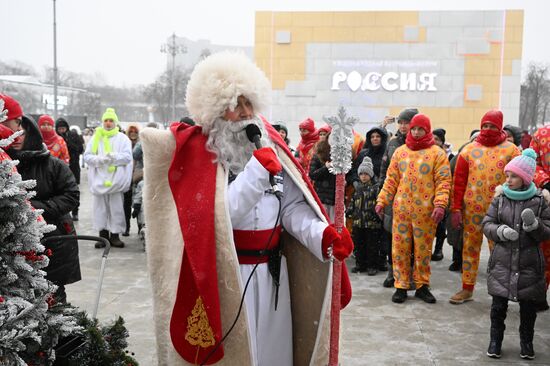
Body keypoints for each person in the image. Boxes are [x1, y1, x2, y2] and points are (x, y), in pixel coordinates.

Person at [140, 51, 353, 366]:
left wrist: (321, 235)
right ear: (214, 109)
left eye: (248, 103)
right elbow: (217, 221)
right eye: (233, 105)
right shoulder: (202, 155)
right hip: (227, 278)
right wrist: (256, 174)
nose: (243, 112)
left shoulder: (270, 147)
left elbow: (291, 207)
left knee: (273, 354)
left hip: (272, 277)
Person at [482, 148, 550, 360]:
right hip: (502, 262)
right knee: (498, 308)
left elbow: (547, 231)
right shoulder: (500, 199)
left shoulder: (539, 202)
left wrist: (534, 226)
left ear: (525, 178)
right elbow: (487, 224)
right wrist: (500, 231)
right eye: (507, 176)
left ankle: (526, 343)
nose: (508, 180)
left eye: (514, 176)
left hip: (528, 263)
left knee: (528, 309)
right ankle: (495, 342)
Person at [376, 114, 451, 304]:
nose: (416, 132)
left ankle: (421, 285)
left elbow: (443, 182)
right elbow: (391, 180)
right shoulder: (400, 152)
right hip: (401, 211)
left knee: (423, 250)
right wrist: (382, 200)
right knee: (399, 248)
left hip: (426, 213)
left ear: (427, 130)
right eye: (414, 129)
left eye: (420, 129)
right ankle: (400, 285)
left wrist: (440, 204)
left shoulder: (437, 154)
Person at [449, 110, 521, 304]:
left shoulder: (511, 150)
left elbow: (520, 179)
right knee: (469, 249)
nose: (488, 130)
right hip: (471, 209)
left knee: (499, 252)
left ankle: (500, 291)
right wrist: (456, 208)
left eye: (492, 126)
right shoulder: (469, 150)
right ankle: (467, 288)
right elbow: (459, 181)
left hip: (499, 211)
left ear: (499, 127)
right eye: (485, 126)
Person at [7, 114, 80, 303]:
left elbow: (71, 195)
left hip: (54, 240)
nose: (16, 138)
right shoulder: (5, 166)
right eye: (12, 133)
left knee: (52, 295)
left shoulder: (53, 165)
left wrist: (35, 209)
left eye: (21, 134)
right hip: (14, 245)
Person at [379, 108, 419, 288]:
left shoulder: (426, 145)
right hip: (393, 198)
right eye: (401, 122)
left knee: (413, 240)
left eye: (407, 122)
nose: (403, 126)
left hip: (417, 200)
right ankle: (392, 272)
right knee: (391, 237)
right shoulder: (393, 143)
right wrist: (382, 194)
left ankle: (411, 274)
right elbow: (384, 169)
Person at [83, 108, 132, 249]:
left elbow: (127, 157)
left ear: (115, 122)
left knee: (116, 208)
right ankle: (102, 236)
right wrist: (100, 160)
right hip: (99, 180)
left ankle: (115, 235)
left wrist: (113, 158)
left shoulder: (123, 139)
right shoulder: (95, 138)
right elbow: (87, 157)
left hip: (116, 181)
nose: (108, 123)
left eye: (111, 120)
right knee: (100, 209)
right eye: (106, 120)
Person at [347, 157, 383, 275]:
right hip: (358, 222)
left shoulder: (375, 188)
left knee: (372, 245)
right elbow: (353, 202)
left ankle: (372, 265)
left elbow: (379, 203)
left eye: (366, 174)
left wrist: (377, 216)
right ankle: (360, 264)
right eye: (361, 174)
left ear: (371, 175)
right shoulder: (357, 189)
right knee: (359, 244)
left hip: (371, 223)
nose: (363, 176)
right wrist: (350, 211)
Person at [529, 124, 550, 311]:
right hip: (546, 200)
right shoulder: (542, 134)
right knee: (543, 252)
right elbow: (531, 163)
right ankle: (539, 294)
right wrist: (546, 183)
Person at [431, 128, 454, 261]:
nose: (434, 141)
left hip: (443, 195)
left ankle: (438, 249)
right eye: (433, 138)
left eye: (437, 139)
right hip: (426, 196)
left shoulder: (447, 156)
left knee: (440, 225)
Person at [56, 117, 85, 220]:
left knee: (74, 191)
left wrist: (68, 144)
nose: (61, 131)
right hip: (60, 170)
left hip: (73, 167)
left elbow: (81, 149)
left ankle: (75, 211)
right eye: (59, 129)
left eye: (63, 129)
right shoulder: (55, 139)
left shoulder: (73, 135)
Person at [309, 138, 336, 221]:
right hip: (322, 197)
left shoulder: (341, 156)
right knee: (322, 223)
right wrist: (326, 167)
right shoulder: (318, 155)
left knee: (334, 225)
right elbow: (312, 175)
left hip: (335, 199)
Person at [122, 123, 140, 236]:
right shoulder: (123, 144)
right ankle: (126, 227)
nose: (133, 134)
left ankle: (140, 226)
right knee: (126, 204)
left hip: (138, 177)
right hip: (126, 177)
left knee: (139, 203)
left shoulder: (141, 144)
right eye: (131, 132)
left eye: (135, 132)